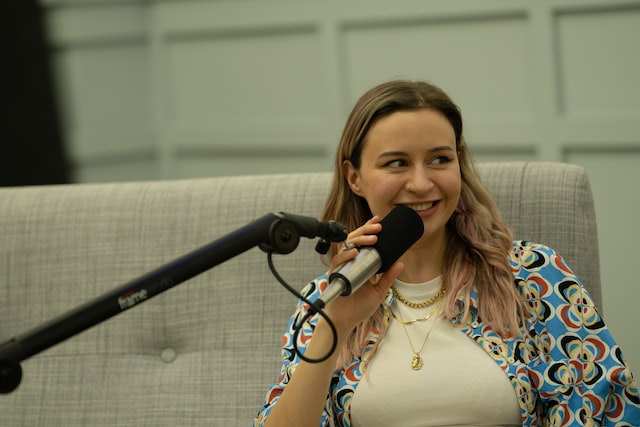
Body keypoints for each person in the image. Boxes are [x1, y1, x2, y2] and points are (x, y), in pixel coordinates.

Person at [254, 80, 640, 426]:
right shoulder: (324, 300)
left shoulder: (532, 275)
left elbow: (609, 408)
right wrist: (333, 326)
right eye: (397, 163)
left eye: (440, 159)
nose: (422, 183)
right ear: (354, 177)